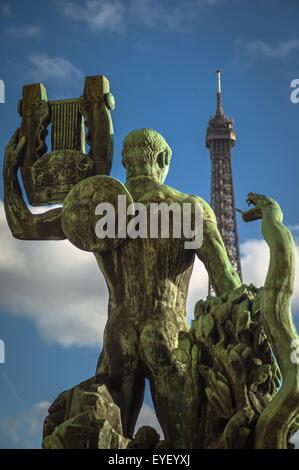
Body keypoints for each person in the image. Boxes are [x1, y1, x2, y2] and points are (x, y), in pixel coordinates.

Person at [4, 128, 241, 448]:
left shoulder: (101, 207)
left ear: (126, 162)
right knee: (189, 444)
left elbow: (23, 226)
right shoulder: (188, 208)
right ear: (162, 158)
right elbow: (227, 281)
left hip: (117, 335)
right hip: (167, 332)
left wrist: (10, 171)